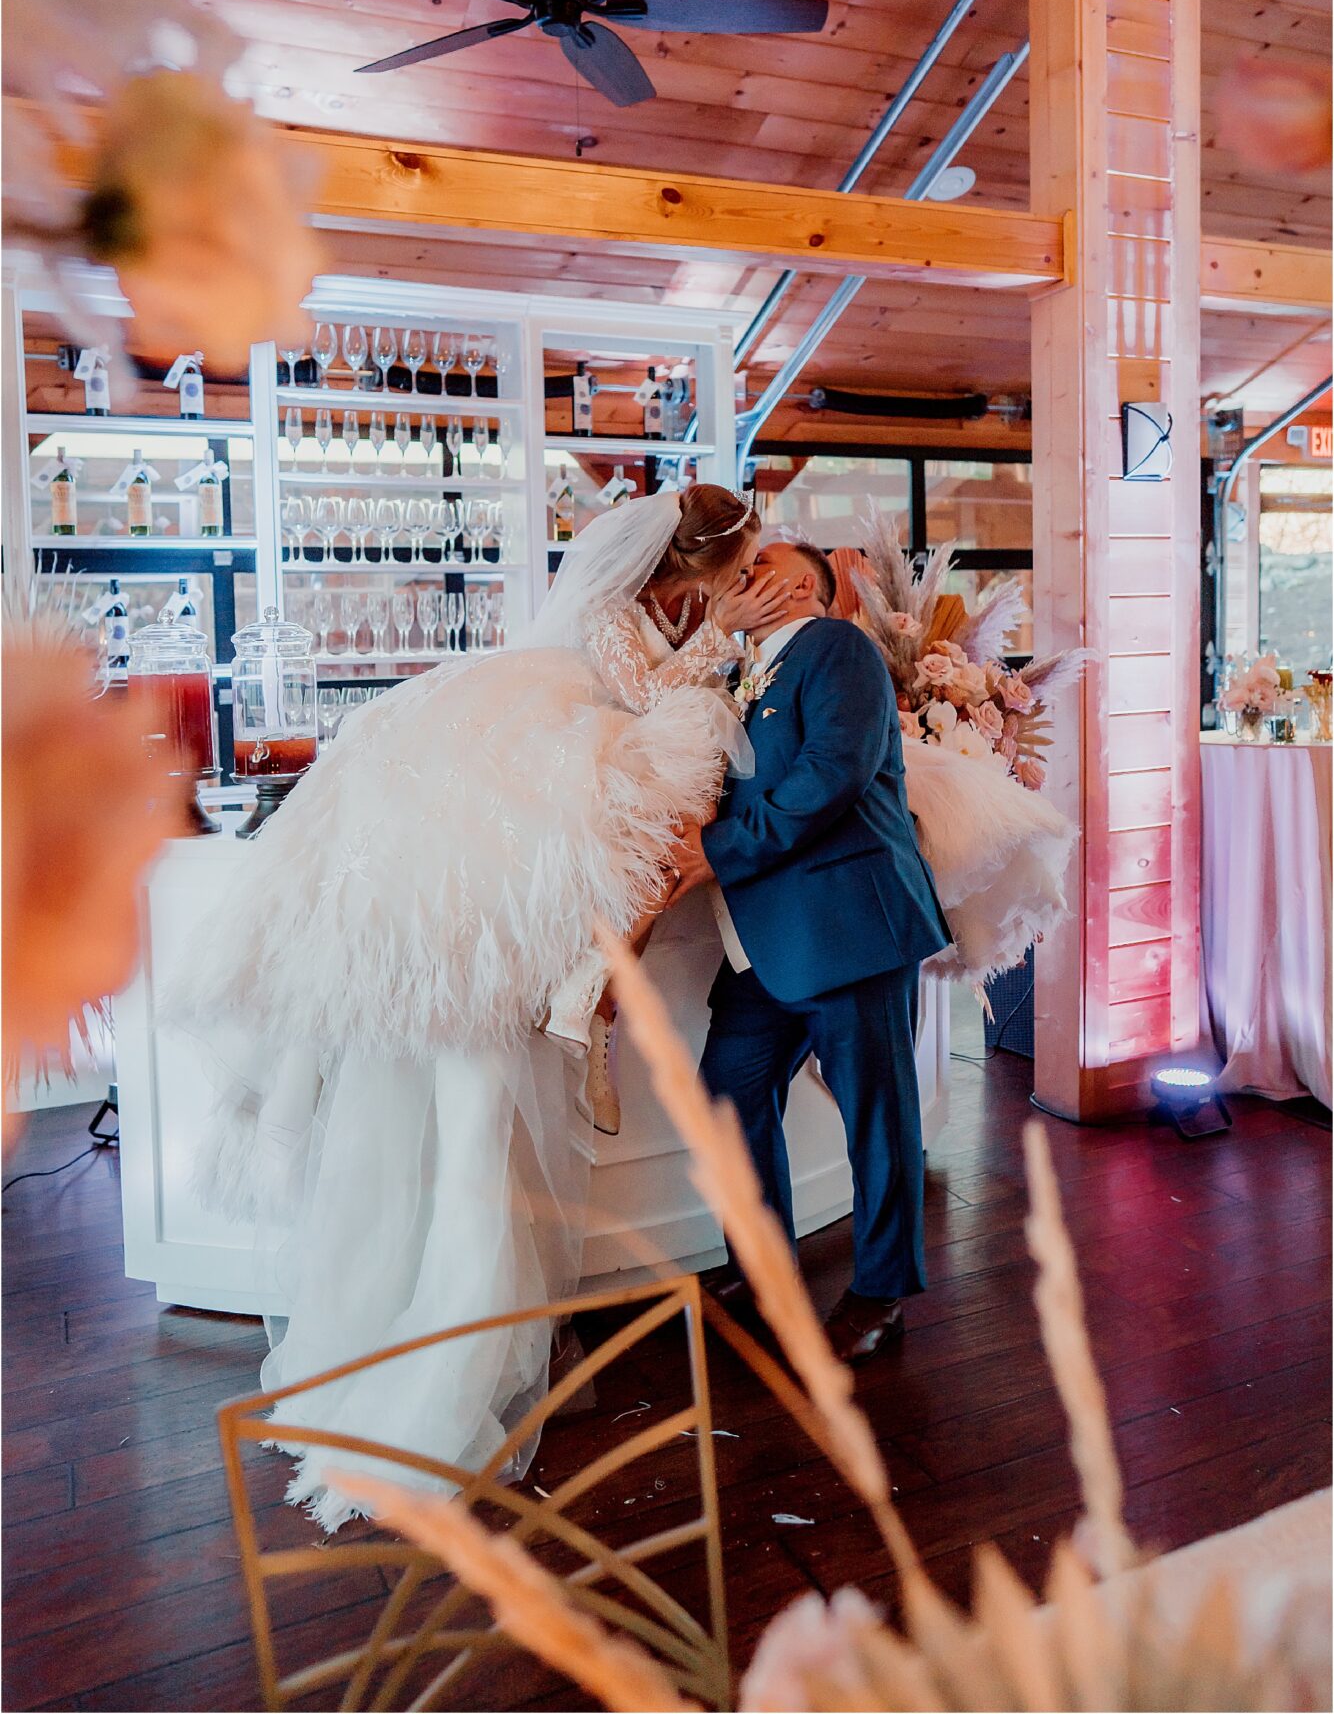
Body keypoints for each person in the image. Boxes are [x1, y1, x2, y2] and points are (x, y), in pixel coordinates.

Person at [169, 485, 791, 1530]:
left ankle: (413, 1347)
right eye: (737, 572)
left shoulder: (548, 659)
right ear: (697, 572)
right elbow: (666, 717)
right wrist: (720, 650)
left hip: (464, 879)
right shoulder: (609, 629)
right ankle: (437, 1373)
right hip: (486, 895)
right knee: (463, 1137)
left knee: (437, 1134)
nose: (741, 590)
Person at [668, 539, 950, 1366]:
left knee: (876, 1114)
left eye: (760, 567)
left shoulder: (838, 648)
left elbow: (832, 773)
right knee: (726, 1094)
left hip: (848, 924)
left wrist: (719, 848)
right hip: (766, 938)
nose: (743, 575)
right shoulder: (750, 667)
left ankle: (882, 1289)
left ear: (801, 586)